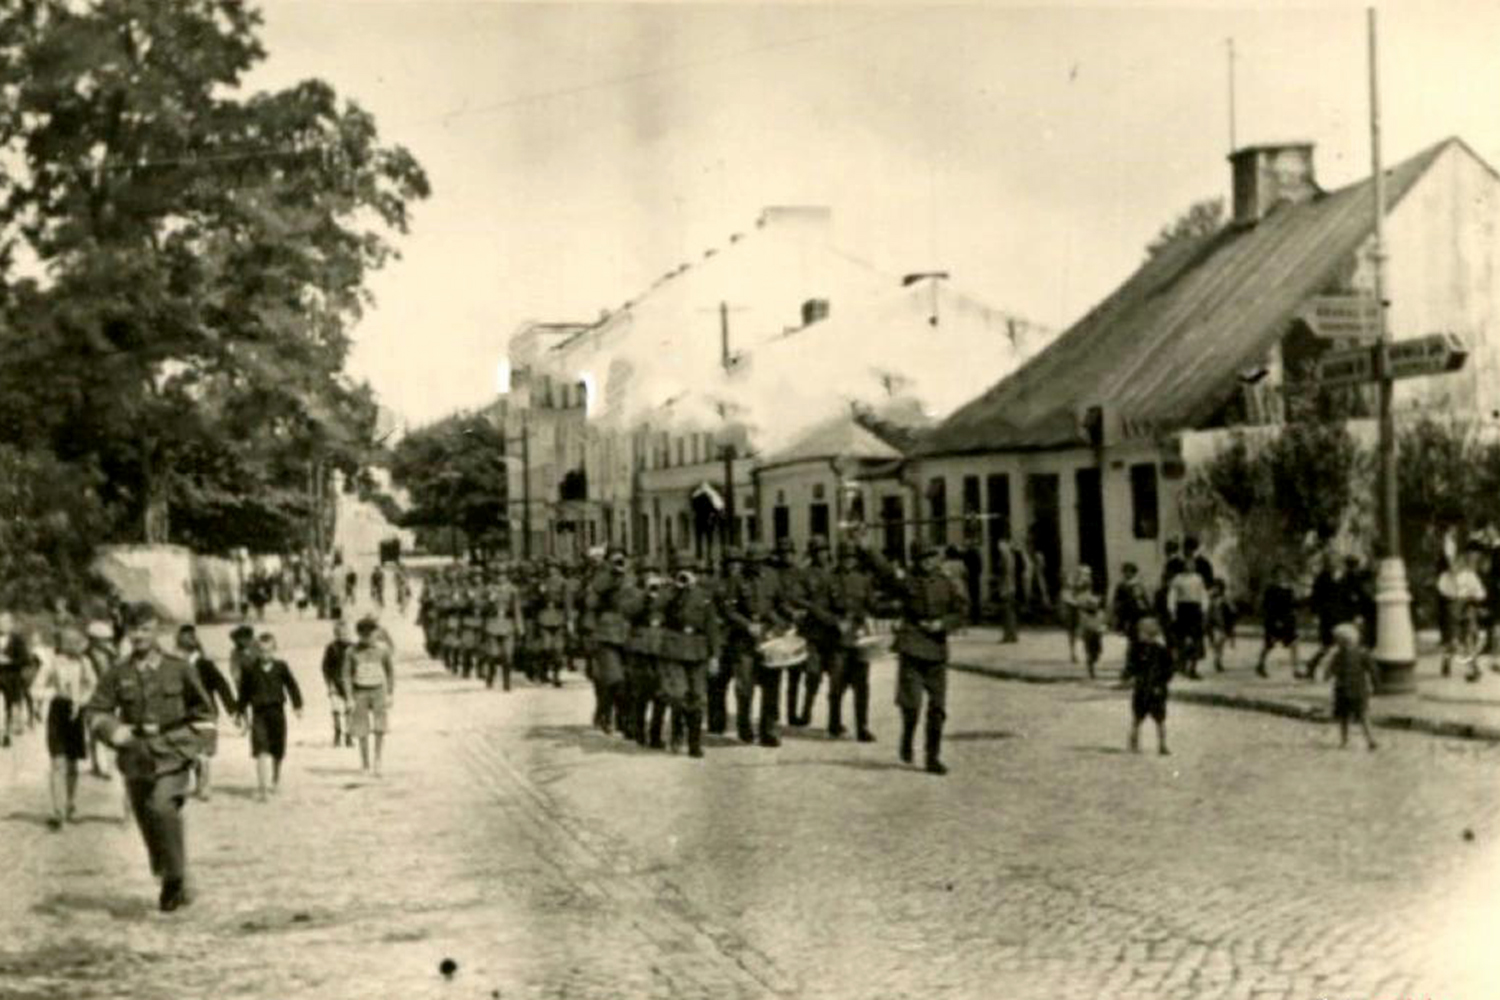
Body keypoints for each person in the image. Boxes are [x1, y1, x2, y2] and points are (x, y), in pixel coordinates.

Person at [85, 602, 214, 912]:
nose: (139, 636)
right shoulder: (119, 672)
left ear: (157, 631)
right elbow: (96, 710)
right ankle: (167, 869)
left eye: (145, 629)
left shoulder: (179, 668)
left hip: (173, 751)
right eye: (133, 630)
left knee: (161, 807)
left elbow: (204, 712)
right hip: (136, 755)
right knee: (146, 820)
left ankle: (175, 878)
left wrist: (203, 753)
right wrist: (113, 731)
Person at [865, 535, 969, 775]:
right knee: (911, 705)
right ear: (916, 560)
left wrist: (943, 624)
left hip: (937, 650)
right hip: (912, 646)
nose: (928, 561)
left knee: (938, 708)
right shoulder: (907, 581)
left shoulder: (947, 582)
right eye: (923, 558)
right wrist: (869, 548)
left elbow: (961, 611)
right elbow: (886, 573)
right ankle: (907, 736)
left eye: (931, 556)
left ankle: (932, 757)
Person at [721, 544, 790, 748]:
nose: (757, 566)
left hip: (769, 638)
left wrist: (787, 619)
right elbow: (729, 611)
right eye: (753, 562)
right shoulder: (737, 580)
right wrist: (747, 625)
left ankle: (769, 731)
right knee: (745, 687)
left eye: (760, 562)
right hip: (744, 641)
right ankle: (745, 728)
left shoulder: (773, 577)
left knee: (772, 686)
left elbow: (781, 603)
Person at [31, 625, 96, 828]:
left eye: (77, 642)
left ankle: (70, 804)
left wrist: (82, 700)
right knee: (57, 761)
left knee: (72, 763)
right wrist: (54, 692)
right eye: (70, 642)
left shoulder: (85, 662)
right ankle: (58, 811)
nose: (75, 646)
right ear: (62, 643)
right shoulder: (51, 663)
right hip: (58, 712)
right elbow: (35, 689)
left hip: (76, 714)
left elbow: (93, 685)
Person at [661, 559, 721, 758]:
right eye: (680, 571)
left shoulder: (704, 596)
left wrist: (715, 656)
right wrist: (674, 589)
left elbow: (712, 627)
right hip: (675, 648)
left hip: (697, 649)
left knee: (697, 697)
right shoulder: (668, 593)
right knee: (678, 695)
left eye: (688, 571)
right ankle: (677, 733)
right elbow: (658, 607)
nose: (685, 574)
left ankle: (694, 742)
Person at [234, 633, 303, 802]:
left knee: (278, 750)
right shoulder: (250, 669)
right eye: (262, 651)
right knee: (260, 749)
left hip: (277, 712)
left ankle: (276, 778)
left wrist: (297, 705)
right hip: (259, 713)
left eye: (269, 651)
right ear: (257, 651)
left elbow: (292, 686)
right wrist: (239, 712)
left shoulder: (281, 667)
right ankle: (263, 788)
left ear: (274, 650)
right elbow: (243, 692)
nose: (265, 654)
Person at [176, 625, 236, 802]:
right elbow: (222, 685)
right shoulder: (185, 666)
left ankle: (203, 786)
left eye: (178, 649)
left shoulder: (201, 665)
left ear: (184, 649)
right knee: (196, 751)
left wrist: (232, 709)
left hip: (201, 713)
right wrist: (232, 709)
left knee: (200, 752)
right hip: (193, 714)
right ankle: (201, 786)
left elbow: (221, 685)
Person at [829, 544, 878, 742]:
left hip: (859, 638)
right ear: (839, 558)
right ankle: (834, 722)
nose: (848, 561)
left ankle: (862, 727)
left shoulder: (864, 580)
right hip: (837, 639)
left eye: (852, 557)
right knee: (837, 684)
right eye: (844, 557)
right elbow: (820, 606)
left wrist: (869, 619)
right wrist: (835, 621)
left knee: (862, 685)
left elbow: (872, 605)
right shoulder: (830, 579)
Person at [791, 537, 841, 728]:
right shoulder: (805, 574)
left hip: (834, 632)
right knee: (812, 675)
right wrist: (811, 607)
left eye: (824, 550)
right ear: (812, 554)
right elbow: (795, 596)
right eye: (818, 551)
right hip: (813, 633)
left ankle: (834, 720)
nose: (822, 554)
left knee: (837, 678)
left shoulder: (836, 572)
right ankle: (806, 712)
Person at [587, 550, 633, 735]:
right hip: (607, 633)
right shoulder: (602, 577)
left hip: (630, 633)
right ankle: (606, 714)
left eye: (622, 558)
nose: (619, 562)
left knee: (629, 680)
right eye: (614, 559)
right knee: (613, 679)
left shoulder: (632, 576)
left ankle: (624, 718)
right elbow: (591, 601)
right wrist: (611, 576)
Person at [342, 617, 395, 776]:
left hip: (378, 690)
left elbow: (390, 672)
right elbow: (346, 675)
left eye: (370, 634)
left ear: (376, 633)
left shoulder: (383, 649)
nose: (367, 638)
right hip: (360, 691)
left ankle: (377, 759)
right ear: (358, 634)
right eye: (363, 635)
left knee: (380, 726)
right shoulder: (351, 651)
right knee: (361, 728)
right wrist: (349, 697)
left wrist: (390, 693)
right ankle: (365, 763)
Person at [1324, 622, 1378, 750]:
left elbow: (1328, 672)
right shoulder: (1362, 653)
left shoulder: (1338, 656)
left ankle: (1346, 740)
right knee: (1363, 715)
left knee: (1345, 717)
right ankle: (1370, 740)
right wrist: (1375, 684)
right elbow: (1373, 669)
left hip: (1344, 689)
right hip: (1358, 689)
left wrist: (1328, 671)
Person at [1123, 615, 1173, 755]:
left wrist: (1161, 683)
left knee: (1156, 719)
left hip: (1154, 689)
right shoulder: (1137, 649)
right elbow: (1131, 667)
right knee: (1140, 718)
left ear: (1150, 633)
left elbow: (1168, 669)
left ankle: (1161, 745)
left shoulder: (1160, 650)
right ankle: (1136, 743)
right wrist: (1128, 675)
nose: (1139, 634)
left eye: (1141, 632)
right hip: (1145, 688)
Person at [1166, 556, 1207, 679]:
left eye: (1192, 564)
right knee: (1181, 640)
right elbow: (1172, 595)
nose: (1189, 566)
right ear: (1183, 566)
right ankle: (1181, 665)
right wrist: (1172, 611)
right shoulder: (1177, 579)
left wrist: (1204, 609)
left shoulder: (1198, 578)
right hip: (1182, 609)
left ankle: (1193, 668)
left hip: (1195, 609)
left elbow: (1203, 594)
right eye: (1187, 564)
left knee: (1196, 640)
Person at [1256, 566, 1301, 678]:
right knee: (1269, 645)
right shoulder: (1271, 589)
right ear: (1275, 576)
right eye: (1280, 574)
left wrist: (1295, 612)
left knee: (1294, 643)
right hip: (1274, 621)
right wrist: (1276, 620)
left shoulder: (1289, 589)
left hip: (1287, 621)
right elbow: (1268, 606)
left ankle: (1296, 670)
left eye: (1284, 574)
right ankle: (1260, 664)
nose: (1282, 576)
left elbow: (1293, 604)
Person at [0, 611, 33, 748]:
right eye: (1, 622)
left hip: (11, 678)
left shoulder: (18, 639)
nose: (2, 625)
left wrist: (9, 661)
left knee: (8, 707)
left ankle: (5, 734)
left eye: (5, 622)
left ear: (11, 624)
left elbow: (26, 660)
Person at [322, 619, 354, 747]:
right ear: (335, 634)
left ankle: (349, 735)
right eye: (340, 634)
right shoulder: (331, 648)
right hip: (335, 683)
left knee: (349, 710)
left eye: (345, 633)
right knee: (335, 709)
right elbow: (325, 667)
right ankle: (337, 732)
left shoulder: (353, 647)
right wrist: (329, 683)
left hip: (350, 685)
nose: (343, 636)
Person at [1059, 566, 1094, 664]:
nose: (1086, 577)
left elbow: (1087, 597)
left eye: (1087, 575)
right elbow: (1065, 597)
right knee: (1072, 632)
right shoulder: (1070, 585)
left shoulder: (1087, 585)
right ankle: (1074, 653)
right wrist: (1074, 602)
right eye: (1084, 574)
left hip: (1082, 610)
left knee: (1084, 632)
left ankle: (1083, 653)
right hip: (1073, 611)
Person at [993, 538, 1020, 644]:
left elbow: (1003, 571)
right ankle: (1013, 634)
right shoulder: (1011, 555)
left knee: (1006, 612)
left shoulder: (1005, 555)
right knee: (1011, 612)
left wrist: (999, 586)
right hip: (1011, 586)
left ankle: (1007, 635)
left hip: (1006, 586)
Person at [1075, 586, 1106, 679]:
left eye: (1095, 604)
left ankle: (1092, 662)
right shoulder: (1084, 615)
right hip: (1088, 635)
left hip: (1097, 635)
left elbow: (1103, 624)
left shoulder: (1101, 614)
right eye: (1091, 604)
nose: (1093, 606)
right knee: (1089, 652)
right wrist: (1080, 634)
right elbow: (1081, 626)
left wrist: (1103, 629)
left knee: (1098, 652)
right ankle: (1090, 668)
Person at [1205, 579, 1233, 673]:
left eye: (1218, 587)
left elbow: (1232, 609)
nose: (1216, 589)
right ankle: (1217, 659)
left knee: (1220, 642)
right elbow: (1206, 610)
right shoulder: (1209, 597)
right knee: (1215, 643)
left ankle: (1218, 660)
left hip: (1221, 623)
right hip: (1211, 623)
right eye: (1214, 587)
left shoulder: (1224, 598)